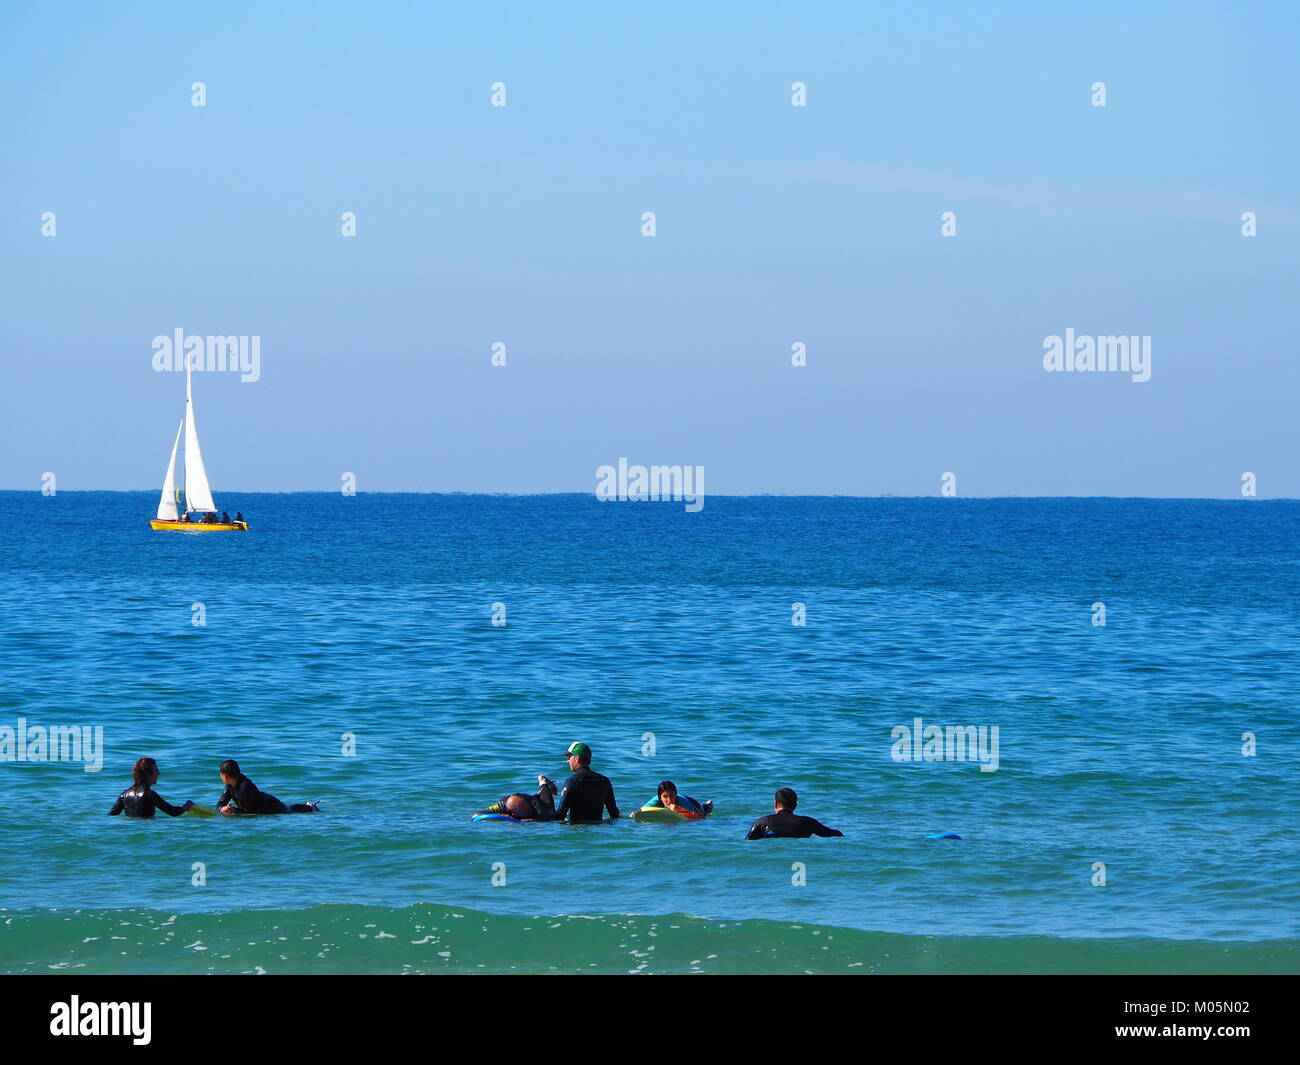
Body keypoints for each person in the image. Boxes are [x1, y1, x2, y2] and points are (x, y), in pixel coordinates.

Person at [216, 759, 318, 815]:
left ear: (225, 775)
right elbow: (220, 803)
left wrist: (235, 810)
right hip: (261, 806)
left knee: (288, 809)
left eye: (220, 774)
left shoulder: (245, 786)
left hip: (272, 805)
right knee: (289, 808)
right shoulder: (229, 786)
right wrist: (222, 808)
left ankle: (311, 807)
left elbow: (254, 812)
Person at [553, 742, 619, 823]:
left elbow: (560, 815)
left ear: (576, 758)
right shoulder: (604, 780)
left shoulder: (572, 781)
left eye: (569, 757)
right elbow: (614, 815)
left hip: (577, 829)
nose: (568, 761)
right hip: (598, 829)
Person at [109, 757, 194, 818]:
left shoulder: (124, 795)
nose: (159, 773)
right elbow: (173, 812)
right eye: (156, 770)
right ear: (147, 774)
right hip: (145, 832)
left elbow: (111, 815)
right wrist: (186, 806)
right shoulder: (150, 795)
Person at [745, 788, 842, 839]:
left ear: (775, 804)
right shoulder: (807, 822)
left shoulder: (763, 821)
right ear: (795, 805)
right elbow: (835, 834)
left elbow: (748, 841)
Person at [477, 775, 558, 820]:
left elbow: (542, 777)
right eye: (513, 812)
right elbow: (477, 814)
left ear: (528, 808)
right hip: (514, 799)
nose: (513, 814)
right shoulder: (503, 805)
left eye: (525, 811)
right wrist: (501, 815)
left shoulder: (543, 809)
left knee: (543, 788)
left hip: (538, 802)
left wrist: (532, 819)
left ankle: (544, 787)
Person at [635, 780, 711, 818]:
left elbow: (700, 817)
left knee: (705, 809)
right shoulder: (656, 800)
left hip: (693, 804)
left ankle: (708, 804)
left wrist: (680, 810)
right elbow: (642, 810)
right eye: (665, 796)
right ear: (660, 797)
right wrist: (634, 814)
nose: (669, 800)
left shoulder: (683, 803)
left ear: (675, 795)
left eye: (672, 795)